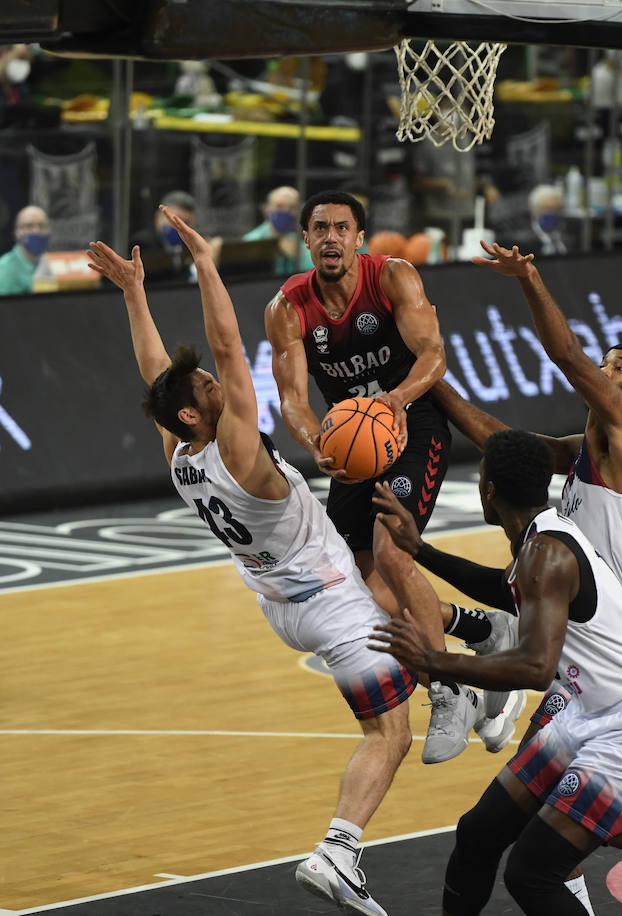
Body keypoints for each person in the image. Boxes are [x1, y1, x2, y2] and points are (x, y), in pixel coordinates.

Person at [85, 206, 427, 916]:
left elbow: (160, 377)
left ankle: (455, 684)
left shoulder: (182, 453)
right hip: (328, 602)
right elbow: (231, 348)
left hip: (282, 607)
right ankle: (338, 851)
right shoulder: (239, 452)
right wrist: (208, 267)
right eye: (208, 388)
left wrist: (134, 294)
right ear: (196, 414)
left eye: (214, 379)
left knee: (399, 613)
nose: (217, 382)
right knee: (389, 733)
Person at [428, 243, 622, 913]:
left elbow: (566, 355)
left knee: (545, 839)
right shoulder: (588, 448)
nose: (603, 368)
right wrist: (432, 385)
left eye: (619, 365)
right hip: (577, 616)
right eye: (606, 362)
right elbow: (503, 443)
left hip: (616, 626)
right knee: (532, 818)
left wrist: (530, 279)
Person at [368, 430, 622, 916]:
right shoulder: (541, 537)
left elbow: (535, 667)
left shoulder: (547, 552)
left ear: (489, 491)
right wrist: (420, 550)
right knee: (478, 832)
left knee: (532, 874)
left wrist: (436, 661)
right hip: (591, 713)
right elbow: (507, 589)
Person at [265, 189, 487, 765]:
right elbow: (291, 398)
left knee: (393, 551)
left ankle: (449, 688)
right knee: (362, 583)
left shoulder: (393, 278)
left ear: (359, 238)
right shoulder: (287, 307)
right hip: (353, 443)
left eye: (342, 227)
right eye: (321, 228)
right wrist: (316, 442)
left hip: (414, 427)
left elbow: (433, 354)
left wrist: (397, 399)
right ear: (306, 238)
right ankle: (480, 631)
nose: (331, 237)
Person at [130, 191, 197, 282]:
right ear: (158, 216)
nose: (180, 227)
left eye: (186, 222)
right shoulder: (141, 244)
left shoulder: (191, 246)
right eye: (175, 220)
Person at [0, 205, 52, 297]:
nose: (36, 231)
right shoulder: (4, 268)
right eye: (29, 226)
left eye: (42, 226)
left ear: (50, 231)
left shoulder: (56, 264)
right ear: (17, 233)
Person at [243, 185, 302, 275]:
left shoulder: (301, 244)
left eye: (292, 207)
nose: (286, 211)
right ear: (267, 210)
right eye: (279, 206)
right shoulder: (250, 241)